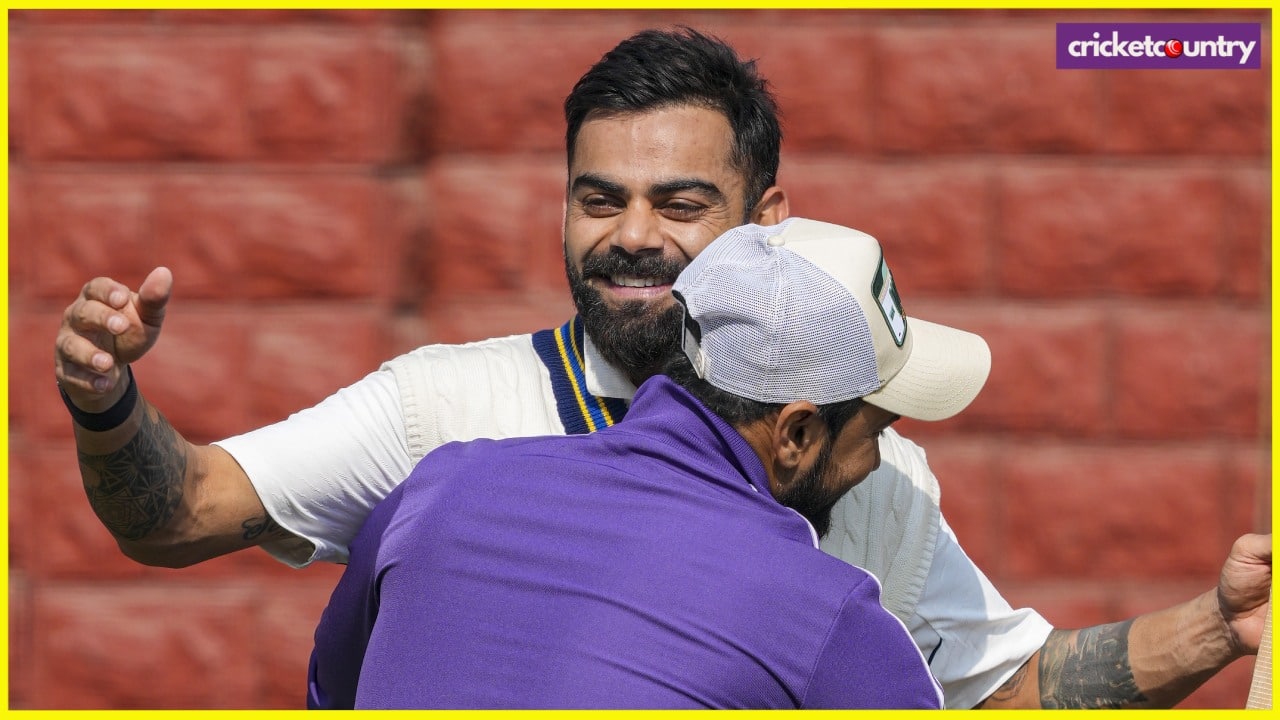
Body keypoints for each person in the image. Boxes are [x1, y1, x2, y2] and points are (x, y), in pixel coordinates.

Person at [54, 26, 1270, 709]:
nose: (632, 234)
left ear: (765, 217)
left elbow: (1001, 685)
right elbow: (188, 514)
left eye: (679, 201)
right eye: (599, 197)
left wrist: (1213, 632)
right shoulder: (443, 422)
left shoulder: (873, 472)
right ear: (794, 438)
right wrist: (107, 406)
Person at [309, 218, 972, 709]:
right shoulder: (832, 620)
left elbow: (332, 690)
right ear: (796, 433)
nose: (875, 460)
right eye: (875, 428)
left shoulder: (441, 488)